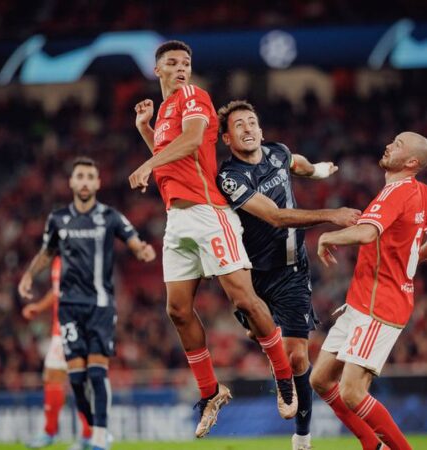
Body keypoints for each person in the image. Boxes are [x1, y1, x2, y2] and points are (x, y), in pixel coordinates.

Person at [129, 40, 298, 438]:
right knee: (177, 311)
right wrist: (145, 131)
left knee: (242, 298)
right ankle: (210, 392)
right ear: (157, 71)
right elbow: (173, 154)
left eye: (186, 62)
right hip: (177, 220)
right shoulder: (166, 110)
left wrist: (147, 163)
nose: (181, 68)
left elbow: (190, 142)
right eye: (172, 63)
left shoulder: (193, 96)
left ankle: (284, 375)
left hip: (209, 214)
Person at [216, 100, 361, 450]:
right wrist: (332, 213)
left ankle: (302, 439)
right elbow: (276, 216)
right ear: (226, 138)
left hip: (291, 271)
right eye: (239, 125)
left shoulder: (278, 152)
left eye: (253, 122)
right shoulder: (229, 177)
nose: (248, 128)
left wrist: (320, 171)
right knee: (262, 337)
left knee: (298, 357)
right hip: (249, 275)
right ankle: (274, 359)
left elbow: (298, 163)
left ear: (262, 130)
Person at [19, 156, 156, 450]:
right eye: (79, 176)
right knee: (77, 379)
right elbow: (46, 252)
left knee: (97, 371)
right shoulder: (57, 219)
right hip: (68, 309)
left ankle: (99, 436)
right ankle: (91, 429)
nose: (83, 181)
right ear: (71, 182)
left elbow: (133, 241)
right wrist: (29, 276)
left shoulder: (110, 217)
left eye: (89, 177)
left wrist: (142, 251)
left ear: (97, 183)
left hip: (100, 306)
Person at [310, 131, 427, 450]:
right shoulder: (420, 193)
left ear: (412, 162)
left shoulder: (397, 193)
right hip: (361, 301)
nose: (389, 145)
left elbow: (365, 234)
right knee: (320, 380)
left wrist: (327, 237)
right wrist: (411, 255)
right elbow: (417, 242)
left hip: (381, 305)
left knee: (351, 391)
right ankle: (371, 444)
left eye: (398, 145)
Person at [22, 256, 92, 450]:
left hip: (74, 327)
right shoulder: (59, 259)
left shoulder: (79, 255)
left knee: (79, 380)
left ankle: (89, 435)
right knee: (53, 377)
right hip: (59, 328)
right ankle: (50, 433)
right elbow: (57, 291)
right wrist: (39, 307)